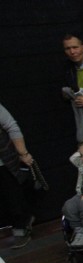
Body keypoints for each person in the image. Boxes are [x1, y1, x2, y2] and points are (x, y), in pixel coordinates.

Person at [0, 103, 35, 249]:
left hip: (4, 160)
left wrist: (23, 153)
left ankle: (21, 227)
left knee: (12, 195)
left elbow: (11, 126)